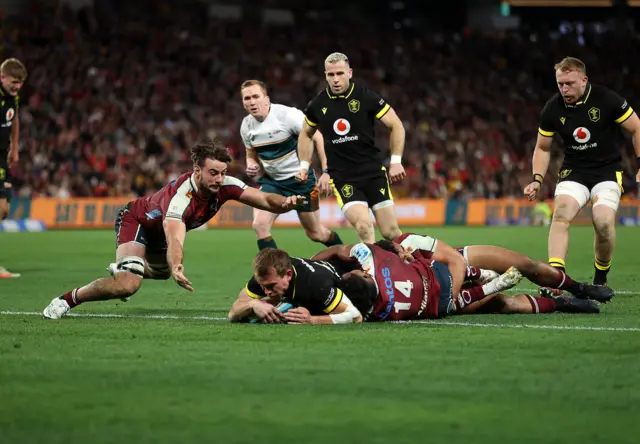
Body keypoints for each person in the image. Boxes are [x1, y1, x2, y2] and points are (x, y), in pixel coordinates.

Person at [43, 138, 307, 319]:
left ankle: (128, 265)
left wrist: (285, 203)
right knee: (127, 285)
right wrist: (178, 266)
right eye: (212, 173)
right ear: (197, 171)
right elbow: (175, 238)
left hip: (161, 238)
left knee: (159, 273)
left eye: (222, 172)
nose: (218, 179)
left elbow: (262, 198)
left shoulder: (226, 184)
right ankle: (67, 300)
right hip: (138, 222)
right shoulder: (181, 198)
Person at [524, 57, 640, 285]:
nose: (564, 89)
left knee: (604, 222)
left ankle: (600, 278)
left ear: (584, 80)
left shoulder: (606, 99)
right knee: (560, 214)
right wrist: (537, 179)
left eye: (569, 83)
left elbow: (637, 128)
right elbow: (542, 147)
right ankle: (555, 279)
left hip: (606, 172)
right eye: (560, 84)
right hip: (574, 172)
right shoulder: (552, 109)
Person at [295, 52, 406, 243]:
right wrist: (304, 166)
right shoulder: (318, 104)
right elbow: (306, 133)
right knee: (364, 226)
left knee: (391, 232)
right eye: (331, 75)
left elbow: (396, 124)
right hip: (344, 178)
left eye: (340, 73)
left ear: (350, 72)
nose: (335, 79)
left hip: (372, 173)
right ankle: (371, 272)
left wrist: (396, 161)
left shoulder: (366, 97)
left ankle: (418, 266)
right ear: (325, 75)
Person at [240, 79, 342, 250]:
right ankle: (273, 273)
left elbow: (317, 137)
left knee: (316, 233)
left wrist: (326, 171)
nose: (251, 102)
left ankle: (347, 257)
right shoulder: (246, 125)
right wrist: (251, 163)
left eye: (256, 96)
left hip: (301, 182)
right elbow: (250, 153)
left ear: (266, 99)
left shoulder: (287, 116)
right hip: (273, 183)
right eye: (247, 98)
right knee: (260, 225)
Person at [391, 232, 614, 304]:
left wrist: (469, 278)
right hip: (445, 293)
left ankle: (580, 288)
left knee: (526, 264)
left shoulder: (408, 240)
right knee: (503, 304)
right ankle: (558, 304)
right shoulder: (388, 274)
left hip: (459, 263)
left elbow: (453, 259)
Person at [228, 248, 361, 324]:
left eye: (271, 286)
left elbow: (355, 316)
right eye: (263, 287)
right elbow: (233, 312)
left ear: (289, 274)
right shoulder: (265, 277)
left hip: (358, 285)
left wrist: (312, 320)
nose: (267, 292)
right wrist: (253, 304)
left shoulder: (314, 284)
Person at [0, 58, 27, 279]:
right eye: (14, 81)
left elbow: (14, 119)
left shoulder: (12, 97)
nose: (17, 86)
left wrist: (14, 147)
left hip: (3, 157)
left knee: (5, 211)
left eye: (20, 83)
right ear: (2, 77)